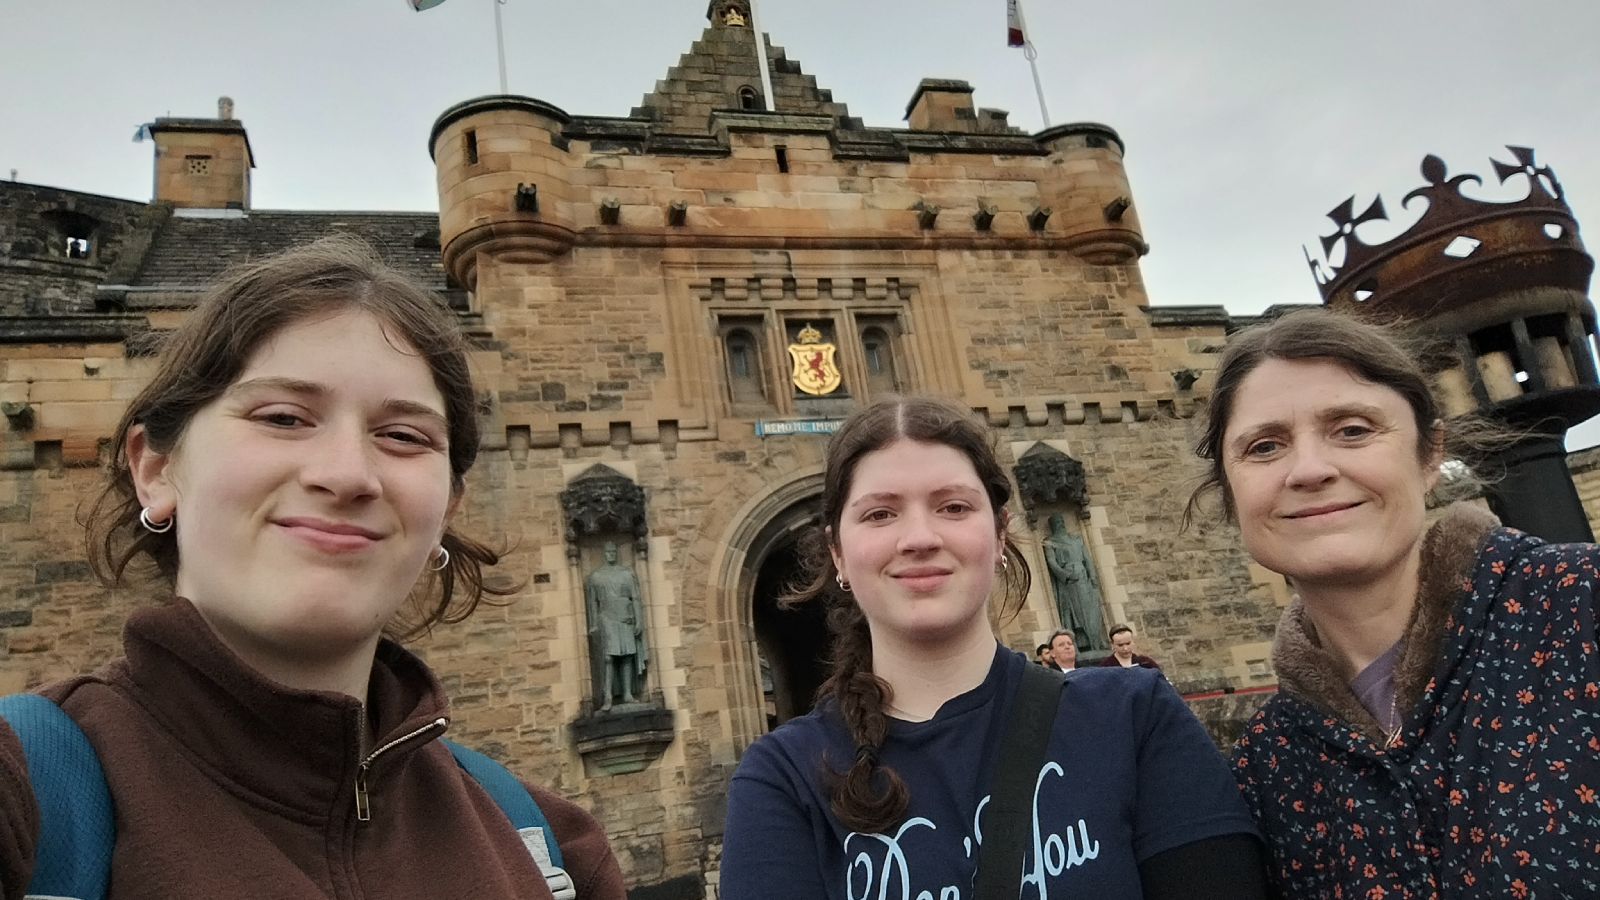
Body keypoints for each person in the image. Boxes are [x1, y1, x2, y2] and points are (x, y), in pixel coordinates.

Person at [0, 239, 626, 899]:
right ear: (156, 469)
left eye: (403, 436)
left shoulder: (552, 849)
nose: (347, 474)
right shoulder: (27, 791)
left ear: (446, 509)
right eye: (283, 418)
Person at [721, 395, 1267, 899]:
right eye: (880, 513)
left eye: (953, 507)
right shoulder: (781, 779)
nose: (919, 537)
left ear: (1001, 532)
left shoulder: (1134, 715)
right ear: (838, 553)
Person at [1189, 308, 1600, 897]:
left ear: (1430, 455)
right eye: (1264, 446)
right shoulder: (1265, 765)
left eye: (1353, 429)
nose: (1308, 469)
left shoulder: (1579, 611)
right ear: (1230, 496)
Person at [585, 540, 647, 710]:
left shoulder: (626, 574)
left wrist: (639, 620)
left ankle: (627, 693)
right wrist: (593, 625)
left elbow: (635, 598)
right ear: (604, 553)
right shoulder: (596, 577)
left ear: (616, 553)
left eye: (613, 551)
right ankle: (607, 696)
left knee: (627, 655)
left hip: (625, 617)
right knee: (608, 656)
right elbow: (592, 603)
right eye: (608, 551)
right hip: (607, 618)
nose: (611, 554)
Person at [1043, 513, 1108, 651]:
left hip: (1083, 578)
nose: (1060, 524)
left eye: (1061, 521)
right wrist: (1066, 575)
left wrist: (1093, 577)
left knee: (1091, 610)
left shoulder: (1076, 539)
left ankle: (1096, 641)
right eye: (1056, 522)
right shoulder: (1050, 542)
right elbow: (1052, 562)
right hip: (1069, 580)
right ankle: (1079, 644)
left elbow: (1087, 559)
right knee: (1072, 611)